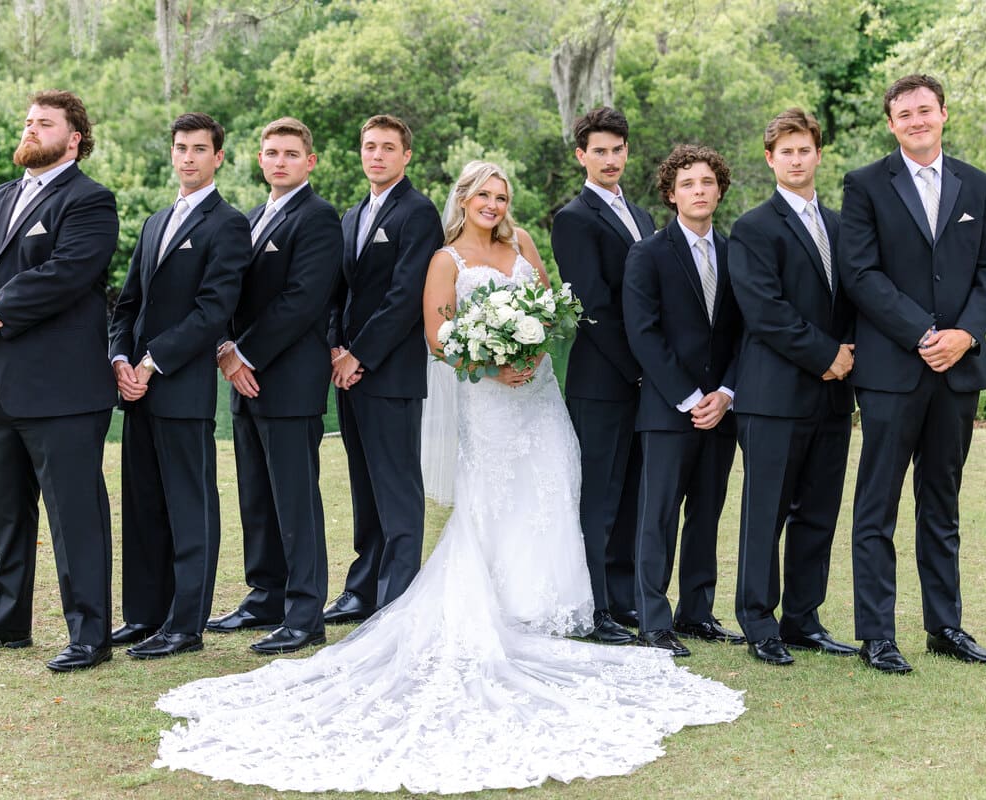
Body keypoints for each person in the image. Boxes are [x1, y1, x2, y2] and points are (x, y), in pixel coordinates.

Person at [151, 161, 744, 794]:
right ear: (465, 199)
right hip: (489, 400)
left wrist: (533, 349)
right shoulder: (445, 257)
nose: (493, 204)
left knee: (551, 488)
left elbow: (550, 308)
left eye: (502, 195)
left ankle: (547, 607)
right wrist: (493, 363)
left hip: (537, 397)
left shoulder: (522, 245)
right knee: (495, 499)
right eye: (483, 195)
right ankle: (503, 610)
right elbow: (437, 337)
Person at [0, 89, 118, 673]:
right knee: (8, 512)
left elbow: (67, 274)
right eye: (28, 120)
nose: (31, 128)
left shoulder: (91, 201)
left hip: (61, 391)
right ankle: (4, 623)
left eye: (44, 123)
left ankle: (89, 635)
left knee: (74, 515)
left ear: (74, 138)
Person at [839, 74, 986, 673]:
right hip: (892, 372)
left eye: (925, 111)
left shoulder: (976, 184)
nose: (916, 120)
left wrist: (965, 335)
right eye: (904, 113)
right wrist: (922, 334)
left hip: (957, 371)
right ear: (891, 123)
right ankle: (876, 635)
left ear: (943, 115)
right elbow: (859, 274)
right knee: (876, 506)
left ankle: (946, 626)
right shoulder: (864, 186)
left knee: (942, 504)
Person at [107, 113, 251, 659]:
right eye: (180, 148)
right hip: (135, 390)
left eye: (199, 149)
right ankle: (144, 615)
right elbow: (128, 305)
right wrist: (121, 357)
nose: (188, 157)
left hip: (180, 388)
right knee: (143, 507)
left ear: (218, 157)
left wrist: (151, 363)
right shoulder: (153, 221)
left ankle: (185, 625)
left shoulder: (228, 224)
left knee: (190, 507)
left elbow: (214, 311)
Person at [206, 117, 342, 655]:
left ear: (309, 162)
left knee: (295, 500)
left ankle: (305, 614)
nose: (279, 160)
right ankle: (265, 595)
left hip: (288, 381)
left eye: (290, 153)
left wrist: (244, 353)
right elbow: (229, 295)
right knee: (256, 497)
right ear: (259, 160)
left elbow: (303, 301)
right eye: (270, 152)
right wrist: (224, 348)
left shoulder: (319, 218)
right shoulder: (254, 217)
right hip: (244, 380)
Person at [727, 109, 857, 666]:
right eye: (786, 151)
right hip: (773, 397)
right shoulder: (754, 228)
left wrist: (848, 355)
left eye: (805, 149)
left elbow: (856, 298)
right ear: (770, 159)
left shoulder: (844, 224)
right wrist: (828, 355)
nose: (797, 159)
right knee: (767, 512)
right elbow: (766, 312)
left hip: (832, 397)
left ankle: (804, 618)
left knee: (819, 511)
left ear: (818, 154)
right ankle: (759, 621)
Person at [623, 145, 745, 657]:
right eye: (688, 183)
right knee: (659, 517)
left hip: (723, 408)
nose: (699, 190)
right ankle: (654, 619)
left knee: (708, 513)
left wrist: (726, 393)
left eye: (707, 182)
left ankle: (697, 612)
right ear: (671, 194)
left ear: (719, 189)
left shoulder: (738, 252)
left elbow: (747, 331)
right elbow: (644, 334)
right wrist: (692, 397)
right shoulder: (648, 253)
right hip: (670, 410)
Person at [322, 115, 443, 624]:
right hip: (347, 371)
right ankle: (362, 587)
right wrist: (335, 349)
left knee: (397, 489)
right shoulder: (351, 215)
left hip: (389, 374)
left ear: (406, 156)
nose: (377, 155)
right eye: (369, 146)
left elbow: (404, 297)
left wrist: (361, 355)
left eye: (387, 148)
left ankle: (398, 595)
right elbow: (338, 292)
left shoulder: (418, 213)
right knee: (363, 484)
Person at [551, 107, 652, 644]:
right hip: (603, 381)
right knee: (599, 499)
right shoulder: (573, 218)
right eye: (599, 151)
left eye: (617, 150)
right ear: (581, 156)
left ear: (626, 152)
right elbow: (595, 305)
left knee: (635, 493)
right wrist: (643, 370)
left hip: (646, 384)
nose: (609, 159)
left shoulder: (643, 215)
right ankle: (594, 608)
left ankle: (626, 598)